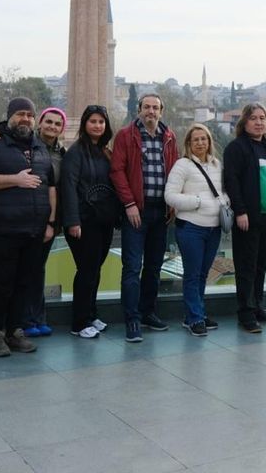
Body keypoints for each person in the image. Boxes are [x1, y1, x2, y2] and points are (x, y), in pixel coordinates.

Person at [0, 97, 56, 357]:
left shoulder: (40, 148)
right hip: (1, 230)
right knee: (0, 285)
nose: (25, 119)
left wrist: (50, 222)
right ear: (9, 116)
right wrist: (14, 180)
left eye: (30, 115)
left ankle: (15, 331)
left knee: (24, 284)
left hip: (34, 230)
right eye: (20, 114)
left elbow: (50, 187)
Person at [110, 93, 178, 343]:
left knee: (154, 266)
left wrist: (173, 202)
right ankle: (132, 319)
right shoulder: (126, 135)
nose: (151, 111)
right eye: (146, 107)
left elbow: (175, 170)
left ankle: (148, 312)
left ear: (161, 111)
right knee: (132, 267)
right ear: (139, 110)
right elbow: (117, 171)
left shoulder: (169, 136)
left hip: (161, 212)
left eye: (155, 107)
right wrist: (129, 204)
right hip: (136, 211)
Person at [222, 102, 266, 333]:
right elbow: (232, 182)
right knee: (246, 266)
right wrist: (240, 211)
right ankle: (246, 313)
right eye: (253, 118)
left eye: (262, 118)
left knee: (261, 265)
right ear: (244, 122)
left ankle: (258, 305)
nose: (259, 122)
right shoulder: (236, 148)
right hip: (248, 218)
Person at [60, 105, 121, 338]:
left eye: (101, 122)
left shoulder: (105, 152)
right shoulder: (75, 153)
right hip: (83, 222)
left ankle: (91, 314)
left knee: (95, 270)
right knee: (87, 270)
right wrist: (72, 221)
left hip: (103, 221)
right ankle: (79, 322)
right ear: (85, 124)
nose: (97, 125)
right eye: (93, 121)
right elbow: (68, 187)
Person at [164, 123, 225, 337]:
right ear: (189, 143)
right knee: (192, 274)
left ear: (209, 141)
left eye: (203, 138)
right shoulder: (182, 165)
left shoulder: (217, 164)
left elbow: (223, 191)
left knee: (203, 274)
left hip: (214, 228)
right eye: (195, 139)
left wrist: (224, 202)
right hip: (191, 228)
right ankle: (195, 318)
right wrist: (197, 201)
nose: (200, 143)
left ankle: (196, 312)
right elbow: (170, 196)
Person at [22, 107, 67, 337]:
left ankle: (37, 318)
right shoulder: (27, 146)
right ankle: (25, 320)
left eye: (57, 124)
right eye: (48, 122)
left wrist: (53, 223)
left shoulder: (62, 152)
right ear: (40, 123)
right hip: (28, 216)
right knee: (27, 269)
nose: (52, 126)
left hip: (51, 219)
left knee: (38, 269)